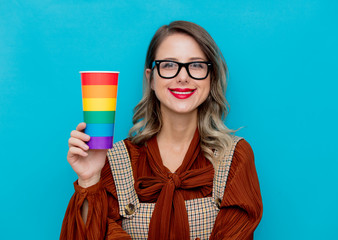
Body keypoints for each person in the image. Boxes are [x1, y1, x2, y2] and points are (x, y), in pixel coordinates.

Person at [60, 20, 263, 240]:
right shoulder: (115, 159)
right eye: (169, 65)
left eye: (196, 65)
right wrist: (89, 179)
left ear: (210, 77)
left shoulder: (234, 157)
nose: (183, 77)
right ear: (151, 78)